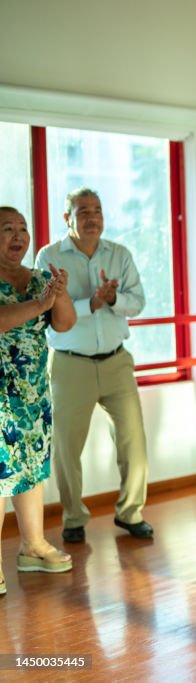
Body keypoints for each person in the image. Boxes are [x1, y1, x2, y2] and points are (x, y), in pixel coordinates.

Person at [37, 188, 154, 543]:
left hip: (117, 362)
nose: (92, 217)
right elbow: (49, 311)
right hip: (71, 365)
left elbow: (138, 303)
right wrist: (91, 302)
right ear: (66, 218)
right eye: (83, 210)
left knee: (133, 442)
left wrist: (114, 297)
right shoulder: (49, 257)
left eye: (97, 210)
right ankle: (73, 518)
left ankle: (130, 513)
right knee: (67, 446)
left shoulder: (120, 254)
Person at [0, 207, 76, 589]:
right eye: (7, 229)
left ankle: (32, 546)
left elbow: (64, 323)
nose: (18, 236)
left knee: (31, 469)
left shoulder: (39, 279)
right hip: (0, 398)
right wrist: (39, 304)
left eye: (23, 228)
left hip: (32, 396)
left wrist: (57, 294)